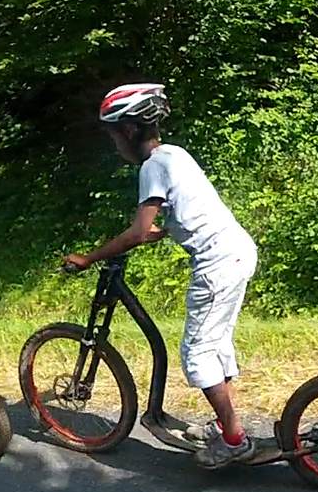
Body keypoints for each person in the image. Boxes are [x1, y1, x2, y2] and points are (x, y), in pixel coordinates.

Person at [64, 83, 259, 469]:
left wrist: (89, 257)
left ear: (130, 130)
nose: (114, 144)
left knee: (198, 352)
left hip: (218, 262)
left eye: (113, 134)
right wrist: (166, 230)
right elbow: (192, 208)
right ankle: (226, 426)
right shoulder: (174, 155)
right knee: (215, 344)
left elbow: (138, 231)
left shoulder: (153, 166)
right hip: (236, 251)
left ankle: (235, 441)